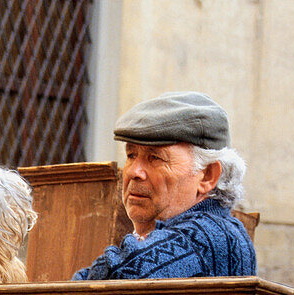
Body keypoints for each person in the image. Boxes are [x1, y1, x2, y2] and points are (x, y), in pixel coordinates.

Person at [72, 91, 256, 281]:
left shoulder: (204, 237)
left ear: (207, 176)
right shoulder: (215, 230)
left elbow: (109, 281)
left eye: (155, 158)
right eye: (131, 155)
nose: (134, 172)